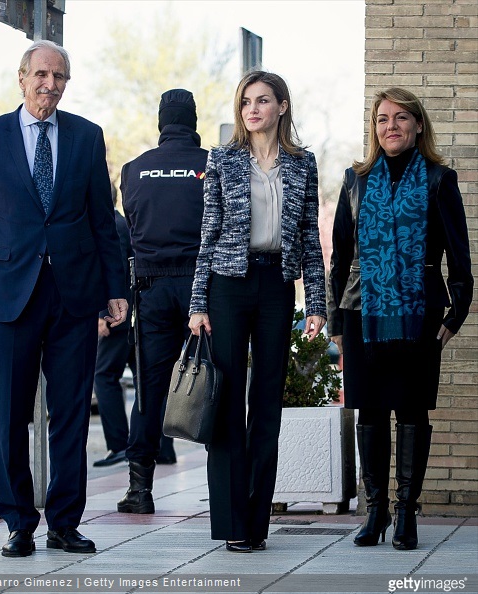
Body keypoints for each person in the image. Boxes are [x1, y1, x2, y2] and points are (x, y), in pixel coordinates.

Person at [0, 40, 128, 558]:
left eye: (60, 76)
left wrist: (115, 289)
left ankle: (65, 523)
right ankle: (19, 522)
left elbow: (102, 222)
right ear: (22, 78)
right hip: (8, 296)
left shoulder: (87, 138)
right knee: (8, 413)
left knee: (70, 414)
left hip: (73, 295)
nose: (50, 84)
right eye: (42, 74)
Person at [327, 87, 473, 551]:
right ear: (374, 128)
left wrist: (457, 312)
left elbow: (459, 255)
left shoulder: (437, 179)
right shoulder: (356, 180)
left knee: (411, 409)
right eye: (382, 119)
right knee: (369, 410)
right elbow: (341, 256)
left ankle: (407, 512)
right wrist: (334, 319)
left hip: (419, 314)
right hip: (361, 310)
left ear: (417, 126)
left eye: (401, 118)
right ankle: (375, 512)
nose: (390, 126)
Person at [188, 71, 327, 552]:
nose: (252, 109)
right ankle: (232, 523)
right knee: (227, 401)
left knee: (266, 403)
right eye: (246, 101)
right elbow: (207, 233)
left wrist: (317, 304)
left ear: (282, 107)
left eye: (263, 101)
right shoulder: (223, 159)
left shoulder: (302, 164)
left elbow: (310, 237)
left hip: (275, 286)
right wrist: (198, 303)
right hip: (228, 285)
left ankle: (257, 522)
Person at [117, 89, 208, 514]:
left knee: (150, 391)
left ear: (160, 122)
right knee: (213, 382)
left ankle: (140, 490)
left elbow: (131, 227)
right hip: (201, 291)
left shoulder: (134, 170)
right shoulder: (211, 166)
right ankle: (225, 486)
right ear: (192, 121)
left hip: (151, 291)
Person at [93, 186, 135, 468]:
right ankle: (158, 447)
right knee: (143, 380)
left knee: (104, 377)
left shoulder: (113, 226)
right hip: (125, 316)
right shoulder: (120, 223)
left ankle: (119, 444)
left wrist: (102, 315)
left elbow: (115, 271)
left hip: (115, 318)